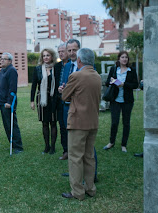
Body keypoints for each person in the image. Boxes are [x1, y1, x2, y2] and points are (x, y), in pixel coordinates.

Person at [61, 48, 101, 200]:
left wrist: (63, 90)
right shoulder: (96, 76)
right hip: (93, 121)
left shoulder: (76, 75)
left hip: (78, 122)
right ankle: (90, 188)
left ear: (79, 60)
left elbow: (65, 96)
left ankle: (77, 192)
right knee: (89, 157)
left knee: (75, 157)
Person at [103, 51, 138, 153]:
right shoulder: (114, 69)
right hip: (115, 100)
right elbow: (107, 82)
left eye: (126, 57)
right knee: (114, 122)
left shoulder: (132, 70)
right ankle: (111, 142)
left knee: (126, 123)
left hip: (127, 101)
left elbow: (135, 85)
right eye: (122, 57)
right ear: (119, 59)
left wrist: (123, 84)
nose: (124, 59)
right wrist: (113, 82)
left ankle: (124, 145)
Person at [30, 48, 59, 154]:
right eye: (44, 56)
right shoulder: (38, 69)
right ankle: (47, 146)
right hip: (42, 99)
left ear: (52, 56)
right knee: (45, 123)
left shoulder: (57, 68)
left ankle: (53, 147)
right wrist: (32, 101)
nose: (45, 57)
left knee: (53, 123)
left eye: (48, 55)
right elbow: (33, 86)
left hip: (54, 98)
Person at [0, 52, 23, 154]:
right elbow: (2, 87)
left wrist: (9, 102)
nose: (2, 60)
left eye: (4, 59)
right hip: (2, 102)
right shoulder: (2, 70)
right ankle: (12, 143)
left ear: (10, 61)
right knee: (6, 125)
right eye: (1, 59)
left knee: (12, 124)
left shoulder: (12, 71)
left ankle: (18, 146)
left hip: (8, 103)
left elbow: (12, 88)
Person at [58, 39, 80, 160]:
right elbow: (65, 83)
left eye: (74, 50)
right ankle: (72, 161)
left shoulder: (85, 66)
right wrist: (62, 88)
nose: (71, 53)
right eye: (69, 50)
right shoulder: (67, 66)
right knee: (68, 133)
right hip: (66, 106)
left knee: (79, 137)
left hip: (79, 107)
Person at [53, 43, 68, 157]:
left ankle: (73, 150)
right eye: (59, 52)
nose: (61, 53)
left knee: (71, 126)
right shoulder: (57, 66)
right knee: (62, 125)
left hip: (71, 100)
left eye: (63, 51)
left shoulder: (74, 65)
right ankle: (65, 150)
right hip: (59, 100)